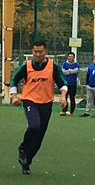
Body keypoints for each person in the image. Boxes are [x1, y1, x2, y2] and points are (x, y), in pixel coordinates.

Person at [10, 40, 68, 175]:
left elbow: (62, 83)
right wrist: (14, 96)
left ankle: (27, 161)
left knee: (39, 137)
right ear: (32, 52)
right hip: (30, 101)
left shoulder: (53, 66)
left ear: (46, 52)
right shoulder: (27, 66)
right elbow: (14, 80)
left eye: (40, 52)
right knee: (34, 125)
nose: (37, 54)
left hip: (46, 103)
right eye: (35, 52)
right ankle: (23, 148)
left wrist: (63, 97)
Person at [60, 52, 79, 116]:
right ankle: (64, 111)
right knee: (64, 97)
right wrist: (70, 71)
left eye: (72, 57)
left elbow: (76, 70)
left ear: (74, 57)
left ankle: (71, 112)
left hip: (73, 83)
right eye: (69, 56)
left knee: (72, 98)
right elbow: (63, 71)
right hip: (65, 83)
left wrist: (69, 71)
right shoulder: (64, 64)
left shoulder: (76, 64)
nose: (70, 58)